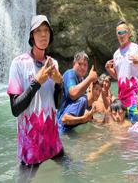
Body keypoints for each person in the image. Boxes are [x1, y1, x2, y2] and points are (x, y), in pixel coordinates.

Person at [7, 15, 63, 166]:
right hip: (30, 148)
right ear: (32, 36)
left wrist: (59, 84)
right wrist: (37, 82)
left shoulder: (53, 64)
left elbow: (57, 105)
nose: (43, 34)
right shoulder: (18, 63)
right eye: (38, 31)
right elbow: (15, 109)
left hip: (53, 143)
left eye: (46, 30)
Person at [105, 20, 138, 123]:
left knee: (136, 127)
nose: (121, 35)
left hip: (135, 98)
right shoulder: (116, 54)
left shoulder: (136, 48)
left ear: (129, 33)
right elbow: (118, 77)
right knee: (123, 129)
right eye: (119, 33)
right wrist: (109, 70)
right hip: (121, 99)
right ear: (116, 35)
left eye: (124, 32)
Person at [57, 51, 98, 134]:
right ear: (74, 64)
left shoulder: (82, 80)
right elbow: (73, 94)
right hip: (61, 125)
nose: (83, 67)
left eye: (85, 65)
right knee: (83, 99)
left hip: (71, 128)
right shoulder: (70, 74)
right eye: (80, 64)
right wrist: (90, 78)